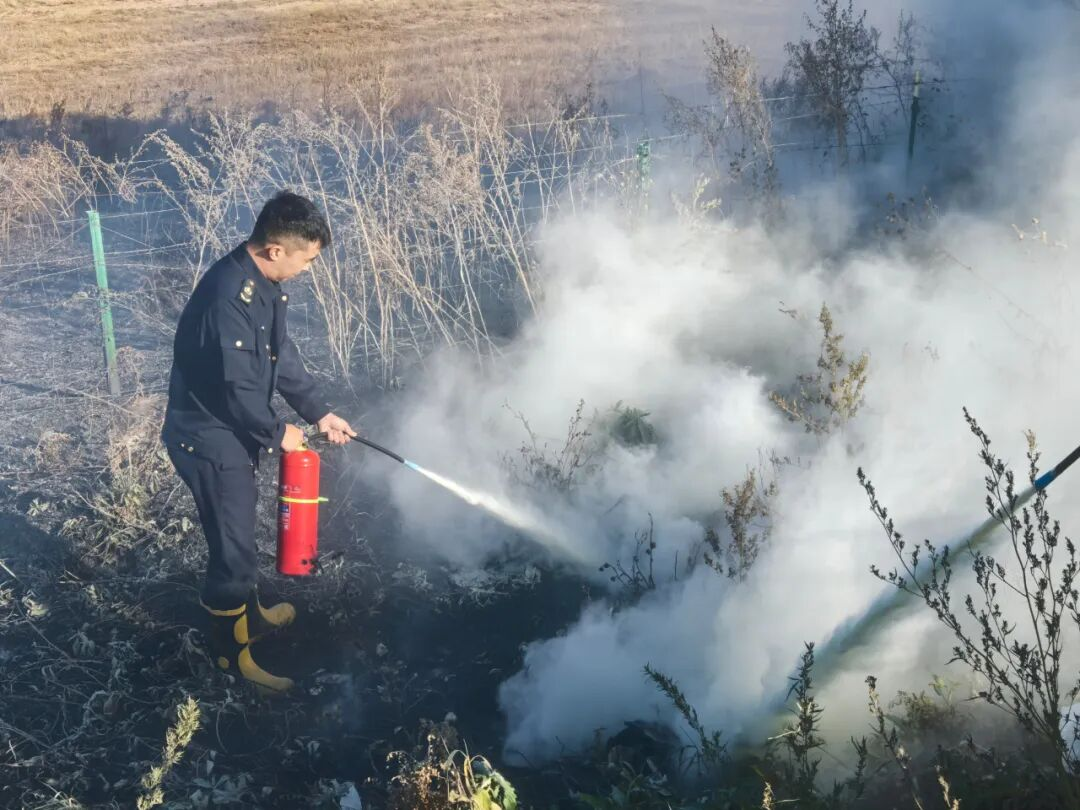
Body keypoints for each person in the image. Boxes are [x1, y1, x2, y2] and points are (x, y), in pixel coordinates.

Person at [162, 191, 356, 693]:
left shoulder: (263, 284)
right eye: (307, 259)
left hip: (230, 430)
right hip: (206, 436)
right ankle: (231, 659)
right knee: (233, 550)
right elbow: (235, 388)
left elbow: (278, 356)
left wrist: (318, 412)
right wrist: (277, 433)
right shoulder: (228, 299)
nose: (309, 269)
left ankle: (250, 616)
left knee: (240, 532)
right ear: (275, 249)